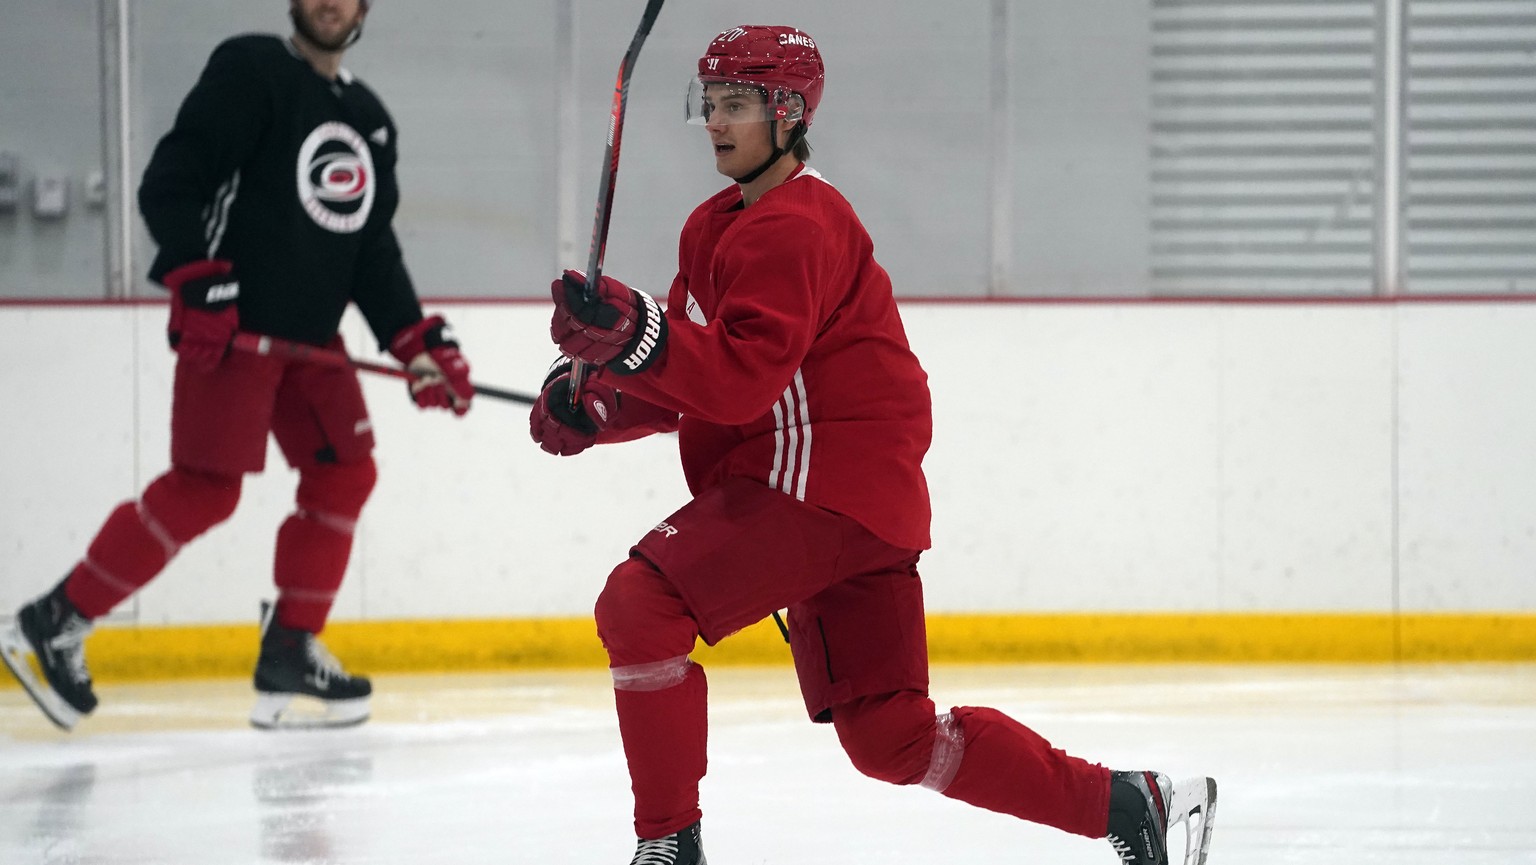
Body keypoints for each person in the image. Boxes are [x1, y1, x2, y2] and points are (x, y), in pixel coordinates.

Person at [529, 24, 1218, 865]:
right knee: (890, 736)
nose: (716, 121)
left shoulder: (799, 227)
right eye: (708, 103)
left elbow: (734, 379)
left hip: (819, 490)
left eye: (736, 104)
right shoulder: (717, 226)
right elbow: (701, 378)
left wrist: (633, 341)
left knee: (640, 605)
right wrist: (603, 399)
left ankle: (669, 845)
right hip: (857, 504)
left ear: (788, 113)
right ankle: (1126, 801)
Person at [0, 0, 474, 732]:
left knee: (346, 471)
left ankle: (289, 647)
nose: (330, 2)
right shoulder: (251, 70)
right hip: (235, 332)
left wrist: (417, 341)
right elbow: (171, 181)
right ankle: (54, 619)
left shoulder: (370, 119)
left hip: (312, 344)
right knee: (206, 489)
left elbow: (370, 249)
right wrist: (196, 274)